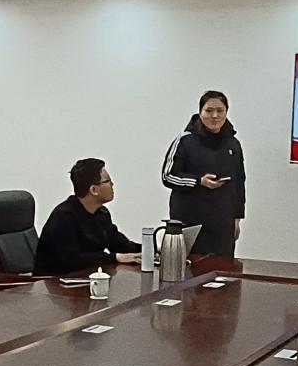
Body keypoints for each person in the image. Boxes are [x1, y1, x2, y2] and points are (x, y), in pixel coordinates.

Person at [161, 90, 247, 257]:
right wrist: (198, 181)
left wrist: (237, 218)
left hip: (223, 222)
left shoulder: (233, 144)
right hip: (190, 221)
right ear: (200, 112)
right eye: (209, 110)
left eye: (220, 111)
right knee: (189, 268)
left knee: (223, 269)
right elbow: (168, 176)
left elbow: (239, 183)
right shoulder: (184, 141)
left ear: (226, 112)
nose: (214, 116)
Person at [33, 159, 142, 275]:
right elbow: (71, 261)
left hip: (86, 278)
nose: (112, 184)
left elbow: (119, 244)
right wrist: (115, 257)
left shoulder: (102, 213)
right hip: (54, 281)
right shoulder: (63, 217)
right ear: (94, 190)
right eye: (108, 181)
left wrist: (150, 249)